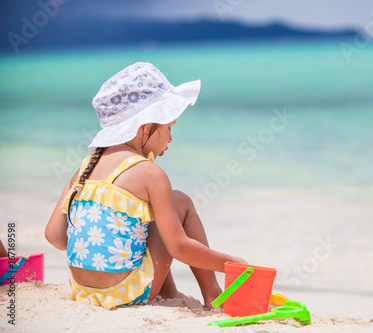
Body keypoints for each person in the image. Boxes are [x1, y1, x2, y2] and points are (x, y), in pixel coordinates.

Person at [45, 62, 247, 310]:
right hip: (126, 291)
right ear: (145, 125)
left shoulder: (84, 169)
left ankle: (170, 291)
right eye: (169, 127)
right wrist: (233, 264)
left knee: (146, 220)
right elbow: (179, 247)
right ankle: (213, 293)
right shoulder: (150, 174)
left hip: (83, 290)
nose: (171, 138)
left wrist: (97, 241)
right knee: (179, 202)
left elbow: (54, 236)